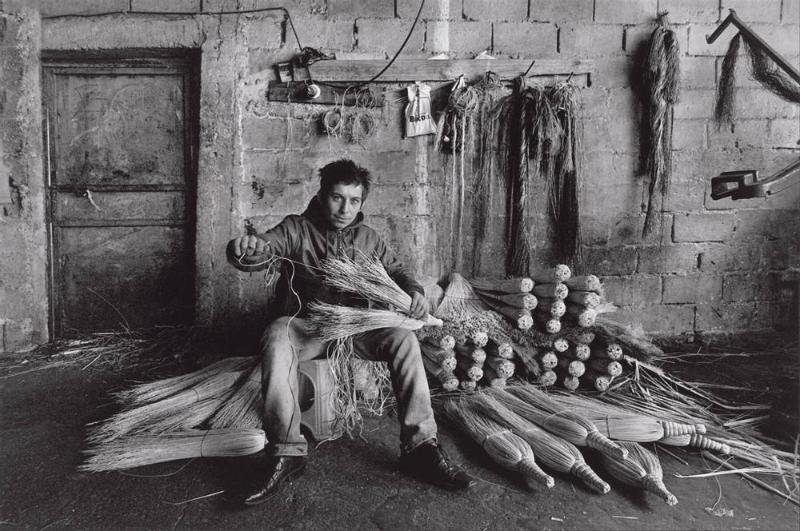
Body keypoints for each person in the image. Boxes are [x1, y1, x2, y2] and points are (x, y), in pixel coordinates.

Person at [226, 159, 474, 505]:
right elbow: (265, 248)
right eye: (336, 197)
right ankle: (287, 451)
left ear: (362, 203)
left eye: (354, 201)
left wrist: (414, 291)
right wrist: (246, 250)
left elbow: (398, 271)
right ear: (322, 195)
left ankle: (420, 447)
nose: (344, 209)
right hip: (308, 328)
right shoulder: (296, 228)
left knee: (403, 340)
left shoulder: (369, 239)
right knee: (276, 334)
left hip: (356, 328)